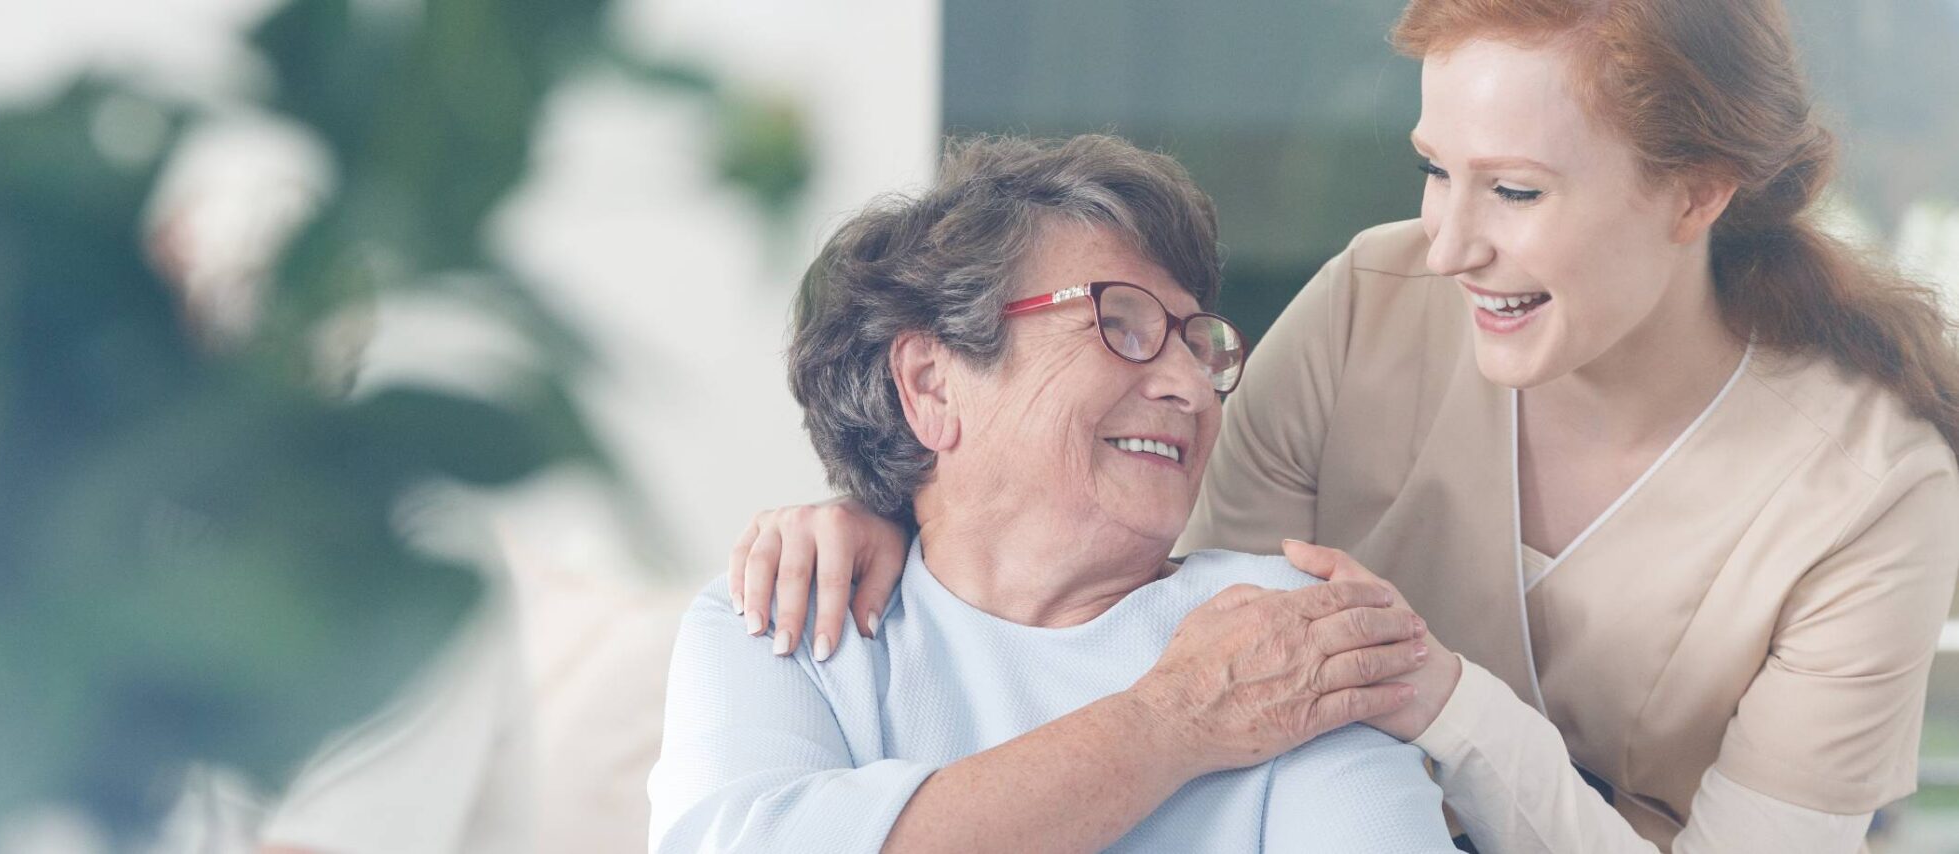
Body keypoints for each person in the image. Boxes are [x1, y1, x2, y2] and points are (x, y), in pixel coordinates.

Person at [724, 1, 1959, 850]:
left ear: (1695, 193)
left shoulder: (1870, 491)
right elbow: (1149, 609)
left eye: (1516, 191)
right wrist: (899, 501)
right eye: (1436, 167)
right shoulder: (1379, 300)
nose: (1449, 241)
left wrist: (1441, 700)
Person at [648, 134, 1462, 852]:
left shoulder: (1283, 633)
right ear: (931, 385)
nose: (1189, 385)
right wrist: (1172, 720)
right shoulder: (785, 616)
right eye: (1123, 324)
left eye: (1195, 342)